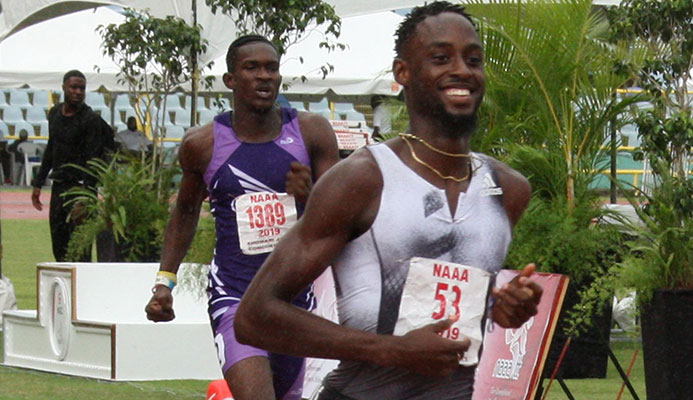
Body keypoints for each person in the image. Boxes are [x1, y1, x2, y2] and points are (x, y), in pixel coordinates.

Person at [235, 3, 543, 399]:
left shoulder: (508, 189)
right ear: (403, 73)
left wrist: (505, 308)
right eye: (440, 57)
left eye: (473, 59)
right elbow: (255, 317)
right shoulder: (361, 179)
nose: (462, 70)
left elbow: (459, 308)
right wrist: (391, 351)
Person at [144, 35, 339, 400]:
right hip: (235, 297)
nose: (264, 76)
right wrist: (164, 282)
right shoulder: (203, 144)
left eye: (272, 68)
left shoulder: (312, 133)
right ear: (231, 80)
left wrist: (309, 196)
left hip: (293, 302)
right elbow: (185, 212)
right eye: (252, 68)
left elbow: (339, 219)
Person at [31, 69, 115, 262]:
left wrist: (85, 198)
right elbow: (51, 149)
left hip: (81, 189)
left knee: (80, 250)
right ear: (64, 88)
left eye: (82, 88)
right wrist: (38, 184)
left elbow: (94, 161)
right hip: (59, 187)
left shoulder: (90, 120)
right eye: (74, 87)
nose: (78, 92)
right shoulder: (54, 114)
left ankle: (82, 290)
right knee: (59, 246)